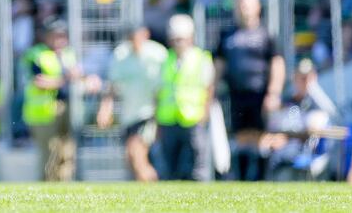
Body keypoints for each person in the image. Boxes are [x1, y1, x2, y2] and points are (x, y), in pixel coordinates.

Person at [215, 0, 285, 181]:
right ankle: (243, 179)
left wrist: (274, 93)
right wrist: (211, 90)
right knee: (240, 136)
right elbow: (219, 65)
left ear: (258, 7)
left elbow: (277, 63)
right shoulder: (228, 35)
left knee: (261, 136)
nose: (243, 8)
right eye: (241, 4)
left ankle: (262, 178)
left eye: (248, 4)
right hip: (235, 95)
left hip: (260, 95)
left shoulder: (265, 35)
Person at [22, 18, 94, 182]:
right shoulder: (36, 55)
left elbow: (79, 75)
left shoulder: (68, 54)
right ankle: (47, 188)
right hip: (44, 113)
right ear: (46, 37)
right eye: (55, 36)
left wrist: (88, 80)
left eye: (62, 36)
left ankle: (63, 188)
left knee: (67, 152)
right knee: (50, 154)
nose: (59, 40)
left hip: (66, 107)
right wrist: (66, 78)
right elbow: (40, 82)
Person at [97, 24, 167, 181]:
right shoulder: (121, 55)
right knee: (131, 157)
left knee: (137, 154)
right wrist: (105, 109)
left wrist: (158, 117)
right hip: (129, 115)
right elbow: (112, 84)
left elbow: (162, 90)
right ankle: (147, 192)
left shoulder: (157, 55)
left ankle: (155, 192)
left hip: (148, 113)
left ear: (146, 35)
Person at [153, 14, 215, 181]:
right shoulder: (166, 60)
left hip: (192, 118)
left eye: (181, 39)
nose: (177, 43)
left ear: (190, 38)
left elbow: (208, 88)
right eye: (175, 39)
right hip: (169, 118)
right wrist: (156, 119)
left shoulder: (201, 58)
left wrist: (204, 113)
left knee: (197, 163)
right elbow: (158, 92)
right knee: (170, 164)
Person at [262, 59, 341, 181]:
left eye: (308, 77)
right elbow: (275, 129)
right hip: (284, 157)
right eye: (302, 78)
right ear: (295, 78)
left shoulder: (320, 104)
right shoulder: (286, 104)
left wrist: (288, 136)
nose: (305, 82)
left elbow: (317, 129)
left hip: (311, 157)